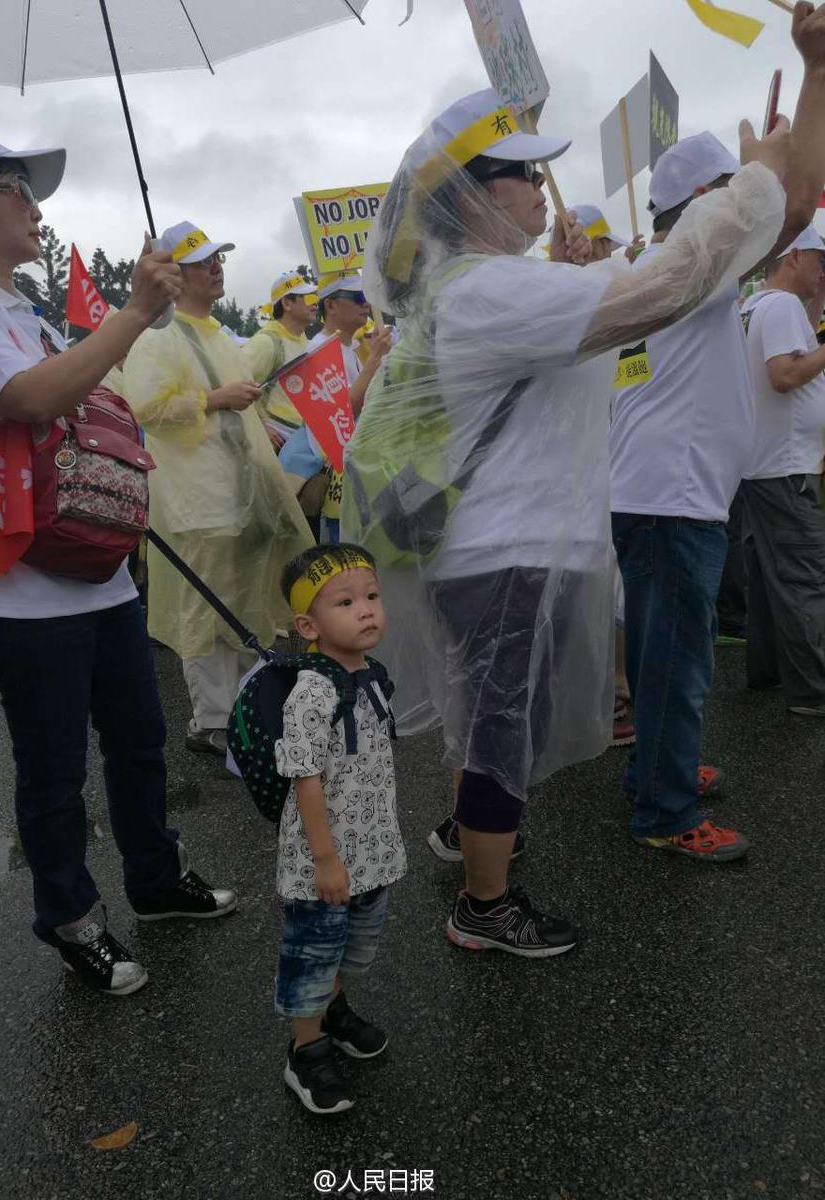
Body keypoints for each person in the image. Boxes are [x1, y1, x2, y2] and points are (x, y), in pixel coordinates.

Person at [342, 84, 790, 955]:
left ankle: (467, 832)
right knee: (508, 722)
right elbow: (666, 285)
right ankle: (484, 906)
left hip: (492, 549)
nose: (540, 186)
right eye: (520, 172)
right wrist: (755, 188)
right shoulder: (487, 294)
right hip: (501, 552)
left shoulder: (476, 287)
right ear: (473, 193)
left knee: (502, 716)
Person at [0, 126, 238, 997]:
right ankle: (70, 918)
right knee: (54, 768)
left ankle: (155, 879)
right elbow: (29, 400)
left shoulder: (25, 310)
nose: (34, 206)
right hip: (21, 593)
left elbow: (88, 397)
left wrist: (136, 323)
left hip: (98, 570)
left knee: (139, 741)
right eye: (17, 189)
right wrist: (133, 313)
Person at [610, 8, 825, 859]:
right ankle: (664, 811)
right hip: (671, 502)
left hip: (659, 495)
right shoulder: (697, 265)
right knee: (677, 659)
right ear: (703, 206)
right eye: (730, 191)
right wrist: (815, 68)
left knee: (668, 652)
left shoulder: (658, 269)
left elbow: (790, 196)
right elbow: (800, 196)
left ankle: (659, 768)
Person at [123, 221, 313, 754]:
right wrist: (214, 400)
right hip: (196, 500)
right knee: (205, 608)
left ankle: (247, 709)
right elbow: (148, 407)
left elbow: (238, 405)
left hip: (242, 494)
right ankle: (212, 720)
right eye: (203, 260)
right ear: (174, 275)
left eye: (218, 258)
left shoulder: (221, 337)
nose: (216, 267)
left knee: (245, 603)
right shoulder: (160, 334)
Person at [274, 544, 406, 1115]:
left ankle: (335, 1010)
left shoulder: (372, 675)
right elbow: (306, 778)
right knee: (312, 954)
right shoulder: (311, 692)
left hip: (370, 848)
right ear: (308, 625)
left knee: (349, 946)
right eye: (346, 602)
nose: (366, 610)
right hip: (322, 860)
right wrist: (325, 859)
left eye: (372, 596)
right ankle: (305, 1050)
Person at [741, 225, 825, 715]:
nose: (821, 271)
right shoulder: (781, 307)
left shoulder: (756, 305)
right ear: (793, 256)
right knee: (803, 577)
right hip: (788, 466)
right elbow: (786, 374)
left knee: (771, 578)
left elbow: (795, 351)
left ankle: (770, 672)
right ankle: (813, 690)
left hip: (764, 465)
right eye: (819, 260)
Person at [308, 274, 392, 543]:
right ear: (330, 305)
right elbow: (341, 413)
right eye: (356, 298)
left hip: (357, 471)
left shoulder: (349, 348)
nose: (365, 305)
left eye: (365, 298)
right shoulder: (320, 348)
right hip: (338, 479)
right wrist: (375, 359)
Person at [242, 271, 317, 449]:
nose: (315, 302)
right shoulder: (267, 342)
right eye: (307, 298)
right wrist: (260, 427)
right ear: (287, 303)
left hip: (301, 442)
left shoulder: (304, 339)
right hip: (278, 445)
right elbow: (232, 386)